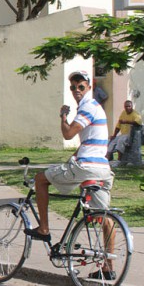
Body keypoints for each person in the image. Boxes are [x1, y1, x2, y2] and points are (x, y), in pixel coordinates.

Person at [30, 70, 114, 263]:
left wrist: (63, 117)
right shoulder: (96, 107)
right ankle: (109, 268)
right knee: (105, 216)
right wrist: (73, 156)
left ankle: (43, 228)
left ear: (89, 87)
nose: (77, 90)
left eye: (81, 86)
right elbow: (89, 141)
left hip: (86, 167)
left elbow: (68, 134)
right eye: (73, 87)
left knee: (40, 179)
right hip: (102, 168)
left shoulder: (87, 107)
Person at [107, 99, 142, 166]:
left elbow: (138, 123)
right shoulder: (123, 113)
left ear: (132, 106)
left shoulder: (136, 114)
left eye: (129, 106)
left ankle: (119, 160)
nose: (127, 108)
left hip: (131, 135)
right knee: (111, 141)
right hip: (123, 134)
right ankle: (107, 159)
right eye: (126, 106)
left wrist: (126, 122)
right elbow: (118, 126)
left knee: (120, 141)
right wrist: (114, 135)